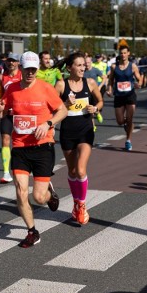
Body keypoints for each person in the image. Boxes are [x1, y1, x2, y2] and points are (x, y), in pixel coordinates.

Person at [0, 51, 67, 248]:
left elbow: (63, 110)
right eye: (28, 69)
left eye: (34, 69)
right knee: (20, 191)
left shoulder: (45, 88)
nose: (31, 73)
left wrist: (48, 123)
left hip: (42, 147)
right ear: (21, 69)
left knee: (39, 197)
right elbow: (2, 113)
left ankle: (49, 193)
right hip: (20, 146)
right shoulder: (12, 89)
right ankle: (32, 231)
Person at [55, 52, 103, 225]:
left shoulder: (90, 83)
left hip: (86, 130)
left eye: (84, 65)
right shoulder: (61, 85)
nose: (83, 68)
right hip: (67, 131)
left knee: (81, 170)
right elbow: (53, 108)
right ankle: (76, 202)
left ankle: (81, 205)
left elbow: (100, 101)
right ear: (70, 68)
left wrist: (95, 109)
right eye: (79, 65)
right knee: (72, 171)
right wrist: (65, 105)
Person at [106, 45, 143, 151]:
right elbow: (111, 80)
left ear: (128, 53)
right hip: (118, 96)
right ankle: (129, 125)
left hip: (130, 95)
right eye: (121, 53)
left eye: (125, 53)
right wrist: (109, 90)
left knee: (130, 118)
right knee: (120, 121)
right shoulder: (114, 66)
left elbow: (139, 79)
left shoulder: (133, 66)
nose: (123, 55)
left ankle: (128, 140)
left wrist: (138, 84)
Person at [0, 53, 22, 184]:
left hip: (21, 113)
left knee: (22, 142)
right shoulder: (3, 76)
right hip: (7, 113)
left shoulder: (23, 75)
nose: (11, 63)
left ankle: (24, 168)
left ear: (18, 63)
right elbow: (0, 92)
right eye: (9, 61)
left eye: (14, 61)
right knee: (5, 140)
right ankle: (6, 172)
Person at [83, 55, 106, 129]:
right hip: (86, 93)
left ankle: (98, 113)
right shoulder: (82, 71)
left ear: (91, 62)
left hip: (94, 92)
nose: (87, 64)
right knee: (89, 109)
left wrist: (99, 87)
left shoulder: (95, 70)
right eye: (86, 62)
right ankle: (93, 126)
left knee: (94, 107)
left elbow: (104, 78)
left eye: (88, 62)